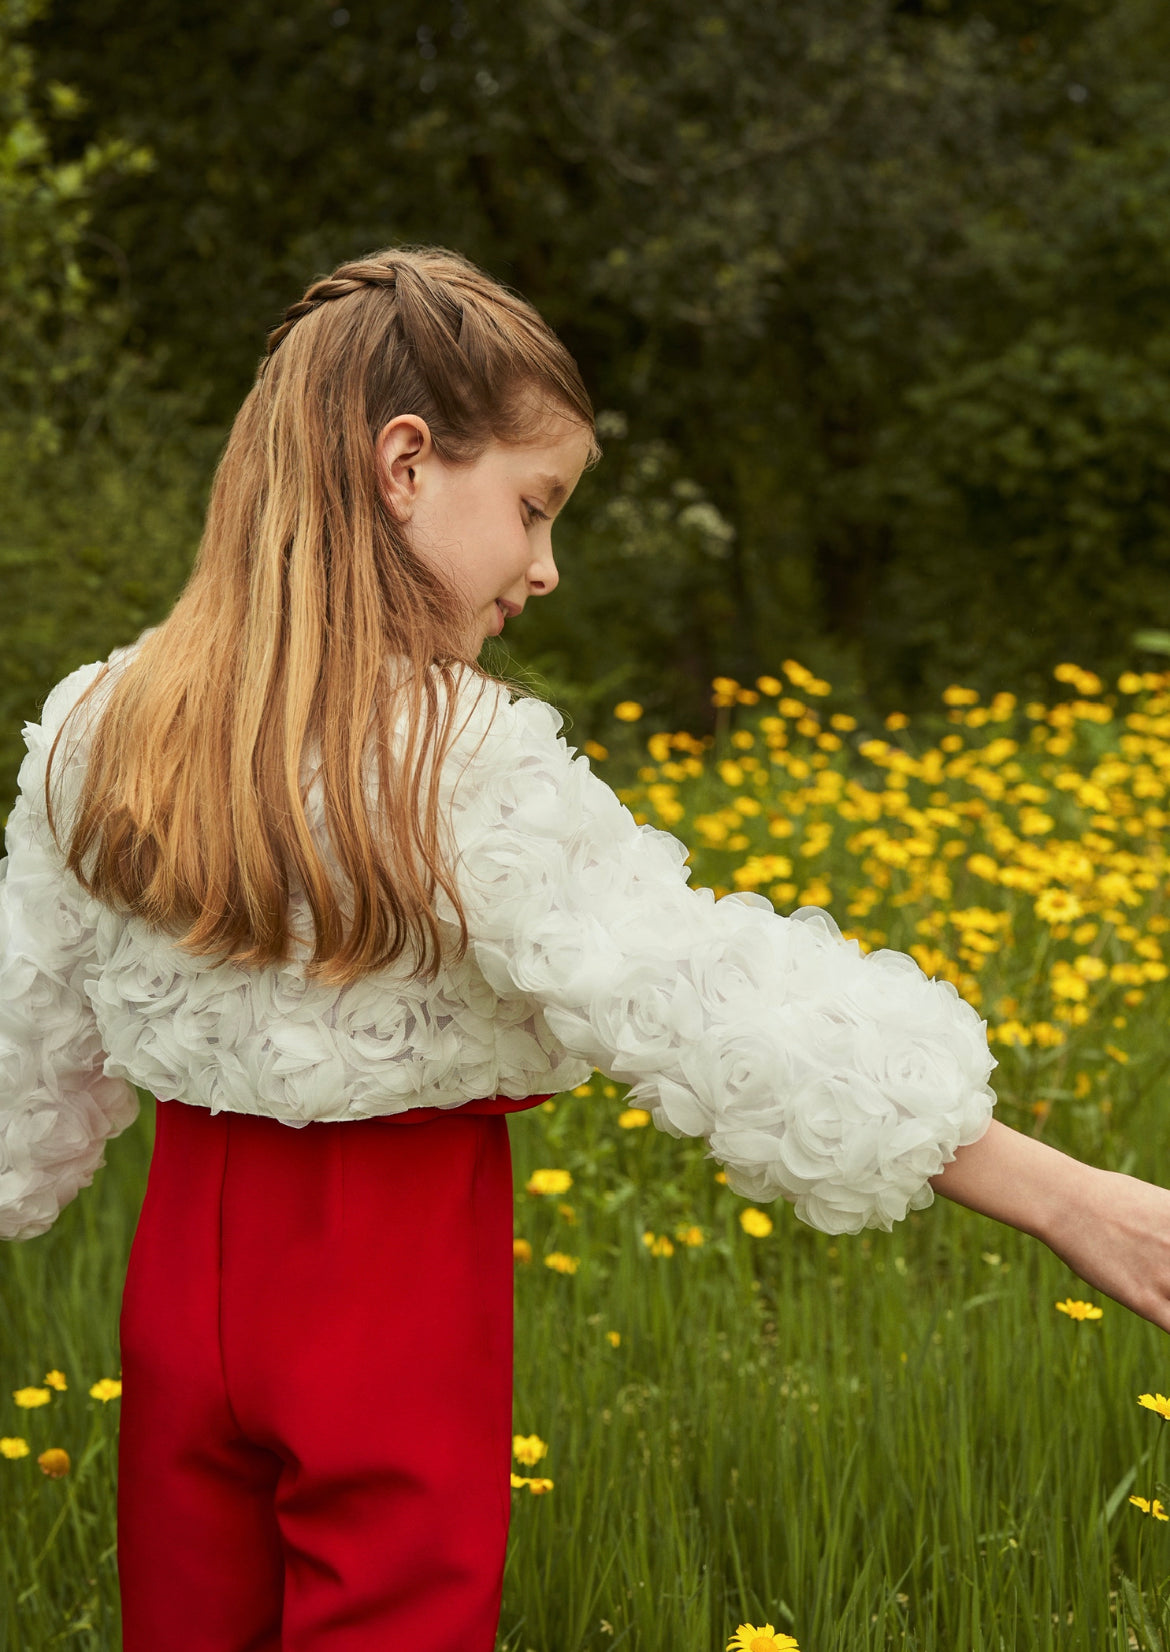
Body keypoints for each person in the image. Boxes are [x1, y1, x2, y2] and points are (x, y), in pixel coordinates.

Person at [1, 244, 1169, 1652]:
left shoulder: (98, 723)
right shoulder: (457, 754)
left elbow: (24, 1041)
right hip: (387, 1277)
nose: (545, 567)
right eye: (534, 508)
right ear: (404, 463)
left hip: (178, 1285)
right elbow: (696, 997)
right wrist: (1060, 1195)